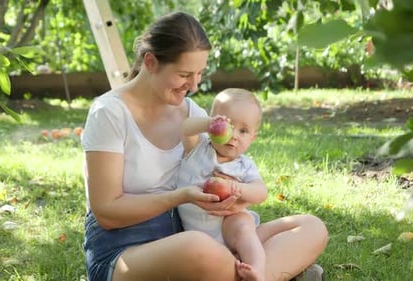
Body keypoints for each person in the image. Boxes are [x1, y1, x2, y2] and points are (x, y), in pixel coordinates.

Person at [81, 11, 328, 281]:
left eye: (199, 73)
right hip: (126, 249)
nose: (195, 85)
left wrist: (234, 199)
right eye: (185, 74)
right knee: (201, 250)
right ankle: (274, 272)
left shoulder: (190, 111)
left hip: (195, 235)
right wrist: (180, 196)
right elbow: (106, 213)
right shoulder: (109, 113)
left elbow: (225, 161)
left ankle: (256, 274)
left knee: (310, 227)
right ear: (150, 62)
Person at [176, 88, 267, 281]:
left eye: (243, 131)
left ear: (253, 137)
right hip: (198, 239)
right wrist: (209, 124)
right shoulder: (198, 150)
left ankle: (257, 271)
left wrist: (239, 188)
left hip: (230, 230)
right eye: (229, 125)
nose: (234, 135)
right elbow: (184, 128)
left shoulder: (244, 165)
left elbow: (261, 192)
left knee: (243, 224)